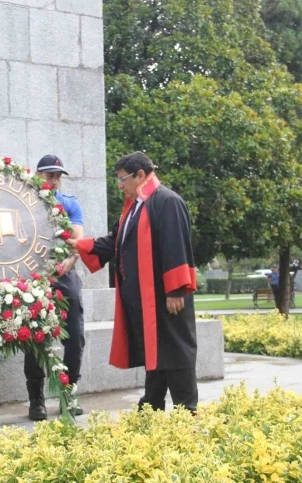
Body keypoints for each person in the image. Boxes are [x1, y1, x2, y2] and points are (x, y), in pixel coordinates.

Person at [68, 151, 198, 414]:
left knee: (175, 352)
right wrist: (78, 245)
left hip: (165, 297)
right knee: (157, 354)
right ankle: (151, 407)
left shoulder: (166, 201)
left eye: (122, 179)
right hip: (144, 301)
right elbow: (113, 243)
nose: (120, 185)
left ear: (141, 175)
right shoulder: (134, 208)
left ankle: (187, 411)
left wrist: (175, 290)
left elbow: (176, 246)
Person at [23, 155, 86, 420]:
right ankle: (36, 399)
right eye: (50, 175)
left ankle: (68, 392)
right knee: (36, 338)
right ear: (38, 176)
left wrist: (69, 263)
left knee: (75, 337)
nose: (55, 181)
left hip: (64, 274)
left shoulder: (70, 204)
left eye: (58, 176)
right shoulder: (23, 203)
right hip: (34, 276)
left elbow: (77, 242)